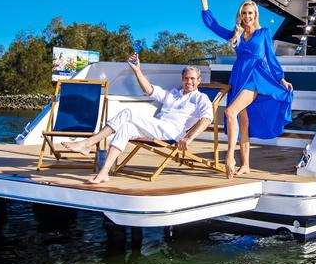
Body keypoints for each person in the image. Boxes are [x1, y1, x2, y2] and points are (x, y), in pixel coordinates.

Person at [62, 53, 213, 184]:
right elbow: (149, 90)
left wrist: (189, 138)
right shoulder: (173, 93)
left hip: (172, 133)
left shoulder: (201, 98)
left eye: (193, 79)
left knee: (128, 112)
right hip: (158, 127)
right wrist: (137, 70)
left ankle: (88, 143)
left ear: (199, 80)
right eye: (186, 78)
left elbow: (207, 118)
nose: (189, 82)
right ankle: (104, 173)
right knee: (126, 127)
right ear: (182, 79)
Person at [197, 0, 293, 179]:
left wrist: (280, 77)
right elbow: (213, 26)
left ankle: (230, 157)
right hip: (239, 75)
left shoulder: (264, 32)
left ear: (255, 15)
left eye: (250, 13)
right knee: (243, 121)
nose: (247, 16)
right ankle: (246, 165)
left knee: (231, 112)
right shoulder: (237, 33)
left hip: (255, 76)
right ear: (240, 15)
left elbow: (271, 57)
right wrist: (204, 1)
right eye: (244, 13)